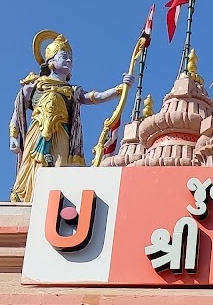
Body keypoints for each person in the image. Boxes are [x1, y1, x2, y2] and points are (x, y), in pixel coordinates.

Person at [9, 31, 130, 203]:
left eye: (71, 58)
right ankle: (28, 200)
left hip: (62, 132)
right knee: (31, 166)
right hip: (37, 131)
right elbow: (18, 111)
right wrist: (13, 136)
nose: (69, 61)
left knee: (60, 169)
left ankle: (54, 203)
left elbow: (96, 97)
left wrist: (120, 89)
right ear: (50, 61)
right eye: (64, 56)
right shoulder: (34, 84)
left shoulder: (72, 91)